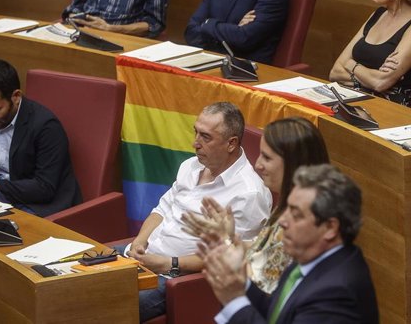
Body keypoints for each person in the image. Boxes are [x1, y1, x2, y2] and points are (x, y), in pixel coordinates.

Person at [121, 102, 272, 322]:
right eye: (196, 133)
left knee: (109, 302)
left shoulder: (249, 193)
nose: (195, 143)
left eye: (205, 137)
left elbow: (234, 258)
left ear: (231, 143)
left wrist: (168, 263)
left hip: (176, 278)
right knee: (74, 273)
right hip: (142, 257)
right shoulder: (191, 166)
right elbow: (161, 209)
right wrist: (140, 241)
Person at [200, 164, 379, 324]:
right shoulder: (307, 258)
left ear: (330, 227)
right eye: (286, 210)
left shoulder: (337, 292)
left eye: (296, 214)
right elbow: (278, 312)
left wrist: (234, 301)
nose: (283, 221)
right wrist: (240, 282)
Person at [182, 117, 330, 294]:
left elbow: (260, 282)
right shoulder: (290, 204)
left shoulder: (302, 222)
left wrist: (223, 244)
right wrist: (228, 235)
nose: (258, 165)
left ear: (294, 163)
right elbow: (263, 248)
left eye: (267, 158)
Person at [0, 60, 82, 217]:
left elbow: (45, 188)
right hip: (1, 197)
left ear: (16, 96)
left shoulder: (46, 126)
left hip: (42, 205)